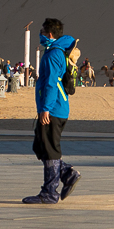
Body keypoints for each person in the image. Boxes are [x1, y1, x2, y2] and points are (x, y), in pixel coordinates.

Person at [25, 18, 82, 204]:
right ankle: (67, 173)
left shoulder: (53, 54)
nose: (40, 35)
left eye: (42, 32)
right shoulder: (57, 52)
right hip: (56, 108)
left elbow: (50, 84)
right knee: (40, 146)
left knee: (49, 149)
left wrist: (45, 109)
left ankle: (49, 193)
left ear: (49, 34)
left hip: (54, 109)